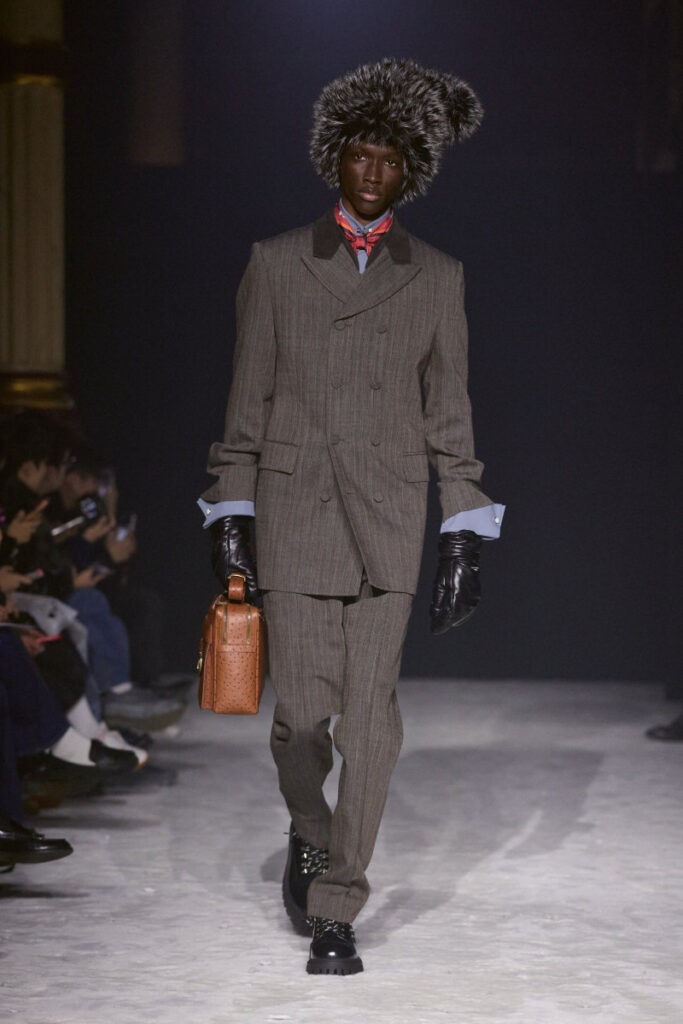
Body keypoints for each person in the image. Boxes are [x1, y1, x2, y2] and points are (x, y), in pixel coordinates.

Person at [199, 58, 505, 975]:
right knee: (300, 721)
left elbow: (450, 418)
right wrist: (231, 512)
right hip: (297, 514)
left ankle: (337, 906)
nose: (372, 174)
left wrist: (463, 530)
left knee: (370, 724)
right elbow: (244, 404)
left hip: (386, 520)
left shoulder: (437, 276)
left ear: (410, 173)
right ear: (334, 159)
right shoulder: (276, 262)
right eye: (360, 156)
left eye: (389, 161)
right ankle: (308, 825)